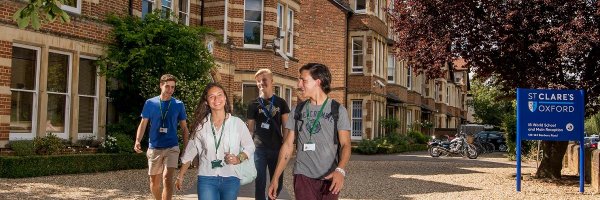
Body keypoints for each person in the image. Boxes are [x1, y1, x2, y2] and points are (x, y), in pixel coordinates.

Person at [268, 63, 352, 200]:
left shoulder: (338, 110)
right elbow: (288, 145)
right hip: (303, 176)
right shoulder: (298, 110)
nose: (299, 84)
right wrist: (275, 178)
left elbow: (346, 145)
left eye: (303, 80)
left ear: (318, 82)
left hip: (330, 177)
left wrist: (340, 170)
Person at [175, 83, 256, 200]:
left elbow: (250, 146)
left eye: (219, 95)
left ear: (225, 98)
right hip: (206, 178)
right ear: (206, 101)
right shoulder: (201, 126)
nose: (216, 99)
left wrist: (239, 158)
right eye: (211, 96)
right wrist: (180, 176)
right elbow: (190, 151)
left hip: (231, 177)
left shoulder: (237, 123)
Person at [134, 74, 190, 200]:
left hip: (172, 147)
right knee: (154, 183)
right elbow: (143, 124)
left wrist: (187, 147)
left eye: (173, 87)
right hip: (154, 147)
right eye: (167, 86)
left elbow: (184, 128)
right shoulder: (150, 103)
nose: (170, 90)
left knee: (167, 178)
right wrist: (137, 140)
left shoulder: (178, 104)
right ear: (161, 85)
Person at [246, 69, 290, 200]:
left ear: (272, 81)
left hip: (277, 149)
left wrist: (286, 146)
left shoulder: (281, 103)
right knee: (259, 183)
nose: (261, 83)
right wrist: (248, 148)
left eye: (264, 80)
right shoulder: (253, 104)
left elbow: (286, 127)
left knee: (278, 182)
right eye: (258, 81)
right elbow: (250, 129)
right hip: (259, 148)